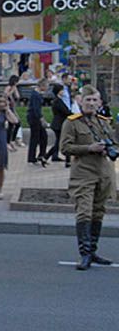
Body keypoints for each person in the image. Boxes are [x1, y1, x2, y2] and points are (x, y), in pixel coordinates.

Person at [60, 85, 116, 270]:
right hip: (83, 173)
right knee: (84, 211)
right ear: (80, 101)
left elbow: (114, 142)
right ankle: (84, 254)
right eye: (88, 100)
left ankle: (92, 251)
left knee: (98, 211)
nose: (91, 103)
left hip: (104, 172)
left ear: (99, 102)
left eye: (94, 100)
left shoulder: (103, 121)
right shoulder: (72, 122)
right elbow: (65, 148)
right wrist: (88, 148)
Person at [47, 83, 71, 165]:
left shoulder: (58, 100)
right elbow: (66, 111)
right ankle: (47, 156)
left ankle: (50, 156)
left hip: (59, 123)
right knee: (63, 142)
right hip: (59, 124)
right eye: (62, 90)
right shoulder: (57, 101)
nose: (63, 92)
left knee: (60, 142)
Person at [27, 78, 50, 167]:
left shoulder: (38, 94)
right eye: (46, 86)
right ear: (42, 86)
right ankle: (32, 158)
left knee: (43, 137)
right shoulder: (36, 95)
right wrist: (42, 119)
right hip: (34, 119)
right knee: (35, 138)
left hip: (36, 118)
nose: (47, 88)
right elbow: (36, 109)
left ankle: (41, 155)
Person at [4, 75, 21, 152]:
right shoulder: (8, 87)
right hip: (8, 108)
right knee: (12, 124)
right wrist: (11, 91)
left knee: (17, 124)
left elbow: (18, 96)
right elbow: (5, 95)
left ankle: (12, 140)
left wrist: (15, 90)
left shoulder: (14, 87)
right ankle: (8, 142)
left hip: (13, 107)